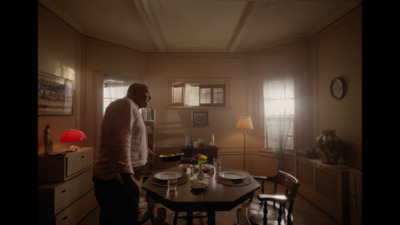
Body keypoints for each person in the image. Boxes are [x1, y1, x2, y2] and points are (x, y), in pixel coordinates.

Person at [92, 83, 151, 225]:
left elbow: (130, 138)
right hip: (116, 178)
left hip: (122, 176)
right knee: (123, 219)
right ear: (135, 91)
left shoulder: (132, 108)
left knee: (124, 217)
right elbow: (118, 140)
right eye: (147, 92)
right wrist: (126, 175)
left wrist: (145, 150)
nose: (150, 97)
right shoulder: (125, 104)